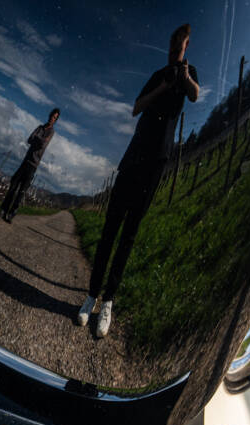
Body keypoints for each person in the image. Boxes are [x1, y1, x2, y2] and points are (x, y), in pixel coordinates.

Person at [78, 24, 200, 338]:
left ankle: (109, 301)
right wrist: (162, 86)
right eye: (172, 44)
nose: (176, 49)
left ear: (186, 46)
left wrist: (183, 77)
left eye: (181, 45)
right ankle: (91, 295)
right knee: (110, 229)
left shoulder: (190, 73)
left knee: (130, 233)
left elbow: (195, 96)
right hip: (134, 157)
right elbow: (135, 108)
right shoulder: (158, 73)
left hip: (157, 161)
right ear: (168, 45)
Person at [0, 108, 60, 222]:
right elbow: (29, 139)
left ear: (56, 120)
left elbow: (42, 144)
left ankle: (11, 213)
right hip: (25, 160)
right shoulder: (40, 127)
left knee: (22, 191)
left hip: (33, 165)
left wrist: (36, 139)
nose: (53, 118)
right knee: (13, 185)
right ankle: (3, 209)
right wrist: (38, 139)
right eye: (52, 116)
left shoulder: (51, 132)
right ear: (49, 115)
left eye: (55, 118)